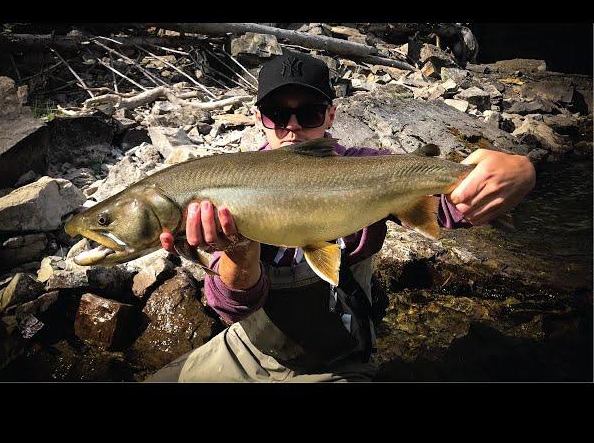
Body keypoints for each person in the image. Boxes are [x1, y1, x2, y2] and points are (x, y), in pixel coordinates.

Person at [145, 50, 536, 382]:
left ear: (331, 116)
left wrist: (520, 171)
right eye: (278, 114)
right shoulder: (224, 186)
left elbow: (458, 206)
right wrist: (238, 253)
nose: (293, 127)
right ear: (259, 118)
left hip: (338, 363)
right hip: (246, 350)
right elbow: (231, 309)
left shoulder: (368, 169)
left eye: (310, 113)